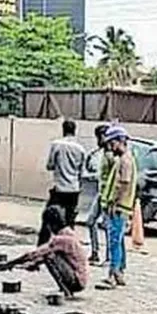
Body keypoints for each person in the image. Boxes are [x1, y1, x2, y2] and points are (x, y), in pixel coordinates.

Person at [0, 205, 90, 299]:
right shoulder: (69, 232)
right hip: (80, 277)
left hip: (77, 280)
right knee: (49, 255)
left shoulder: (60, 239)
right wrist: (32, 264)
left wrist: (10, 263)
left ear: (51, 224)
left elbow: (34, 254)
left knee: (49, 257)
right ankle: (65, 290)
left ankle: (67, 292)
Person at [98, 124, 137, 288]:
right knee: (118, 240)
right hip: (121, 206)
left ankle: (113, 275)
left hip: (119, 207)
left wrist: (113, 202)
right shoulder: (124, 159)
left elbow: (123, 183)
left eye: (112, 143)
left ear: (121, 141)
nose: (111, 147)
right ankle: (120, 271)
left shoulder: (125, 161)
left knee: (114, 240)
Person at [40, 119, 87, 245]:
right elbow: (82, 173)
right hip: (74, 190)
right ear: (74, 131)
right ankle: (69, 246)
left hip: (59, 189)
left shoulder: (57, 145)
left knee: (48, 217)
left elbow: (49, 165)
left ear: (63, 130)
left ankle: (42, 246)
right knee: (69, 221)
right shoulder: (80, 149)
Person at [83, 124, 110, 265]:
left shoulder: (110, 154)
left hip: (107, 194)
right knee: (90, 221)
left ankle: (109, 257)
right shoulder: (101, 153)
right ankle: (95, 253)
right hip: (101, 192)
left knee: (106, 225)